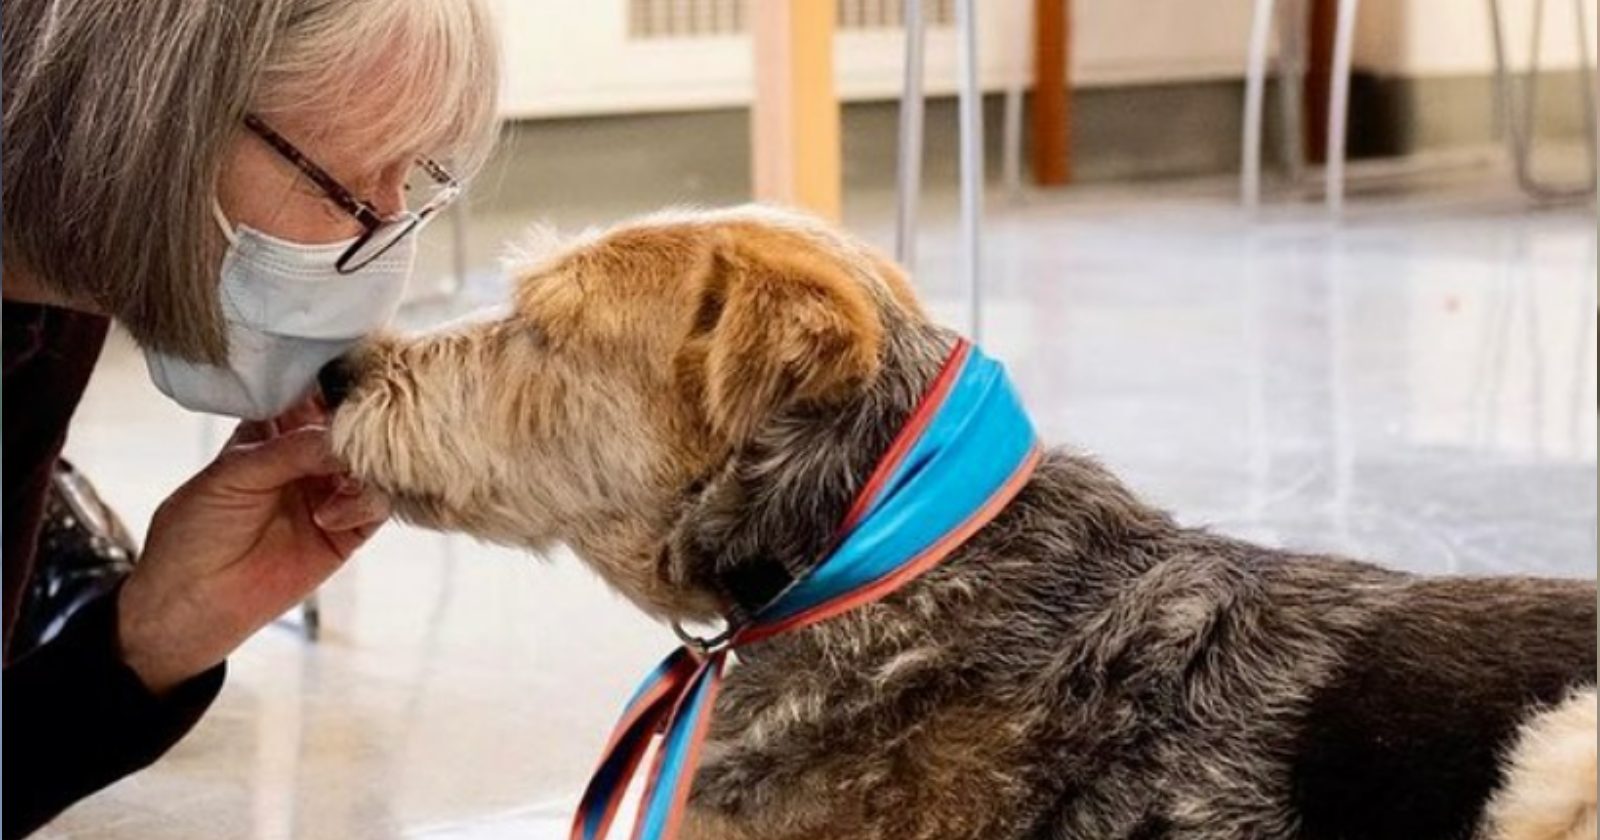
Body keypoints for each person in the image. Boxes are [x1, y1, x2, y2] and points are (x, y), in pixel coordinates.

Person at [1, 1, 500, 835]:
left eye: (407, 181)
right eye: (344, 187)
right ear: (152, 120)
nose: (381, 239)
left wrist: (154, 633)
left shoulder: (51, 299)